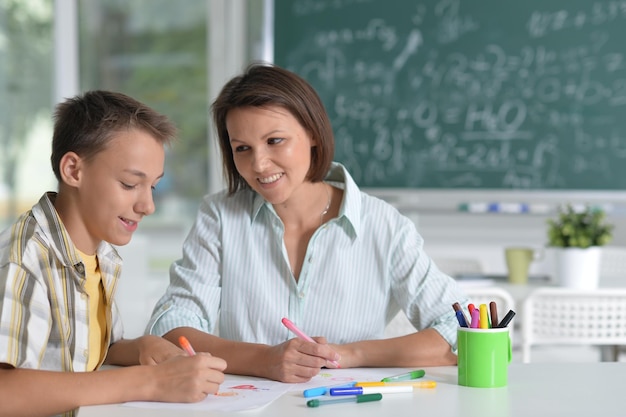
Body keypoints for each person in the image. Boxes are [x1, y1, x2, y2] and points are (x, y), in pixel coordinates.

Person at [146, 63, 467, 383]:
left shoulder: (385, 226)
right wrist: (263, 360)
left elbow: (464, 332)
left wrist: (351, 354)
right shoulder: (218, 217)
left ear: (312, 133)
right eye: (242, 148)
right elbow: (171, 329)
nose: (258, 164)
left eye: (274, 141)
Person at [0, 90, 226, 417]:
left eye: (152, 186)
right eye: (129, 184)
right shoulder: (24, 260)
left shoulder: (99, 253)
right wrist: (148, 381)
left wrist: (139, 349)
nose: (147, 205)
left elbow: (83, 350)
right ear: (74, 170)